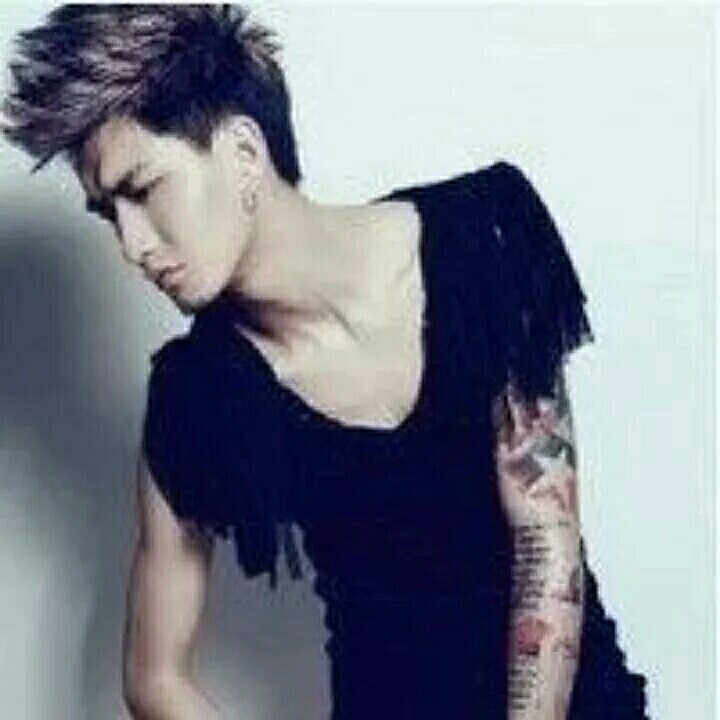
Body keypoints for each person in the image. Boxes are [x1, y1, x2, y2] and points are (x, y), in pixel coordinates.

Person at [2, 5, 650, 719]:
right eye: (109, 215)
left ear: (243, 151)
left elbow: (544, 536)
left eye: (143, 190)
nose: (132, 245)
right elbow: (155, 678)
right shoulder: (199, 395)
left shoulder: (480, 239)